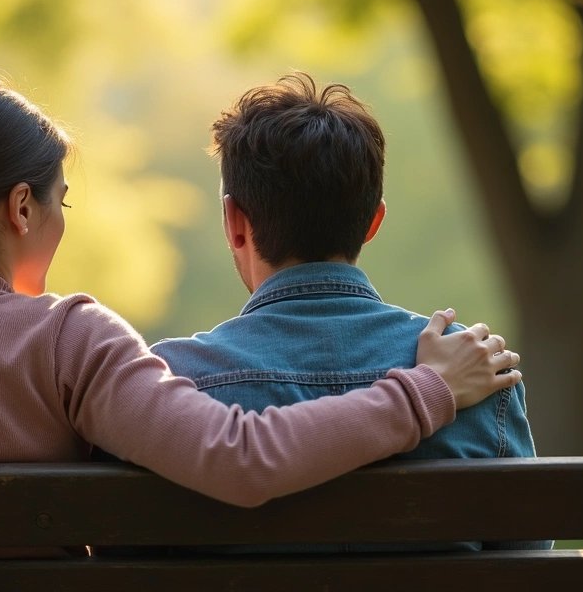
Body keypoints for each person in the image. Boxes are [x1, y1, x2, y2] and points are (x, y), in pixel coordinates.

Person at [0, 76, 522, 559]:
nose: (62, 223)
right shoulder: (65, 341)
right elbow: (239, 458)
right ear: (20, 208)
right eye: (60, 203)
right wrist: (424, 393)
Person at [145, 72, 549, 552]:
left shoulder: (166, 383)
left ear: (235, 223)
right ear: (373, 221)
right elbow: (524, 562)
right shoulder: (476, 372)